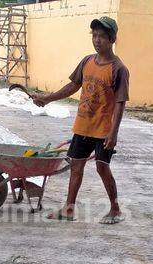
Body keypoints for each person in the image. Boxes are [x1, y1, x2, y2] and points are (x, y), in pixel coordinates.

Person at [32, 16, 129, 224]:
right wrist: (46, 99)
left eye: (102, 36)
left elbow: (120, 102)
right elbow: (72, 86)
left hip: (104, 129)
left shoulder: (119, 69)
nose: (97, 40)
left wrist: (114, 133)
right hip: (83, 126)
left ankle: (115, 209)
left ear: (112, 39)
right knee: (76, 167)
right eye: (94, 35)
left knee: (102, 167)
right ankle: (68, 209)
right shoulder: (87, 61)